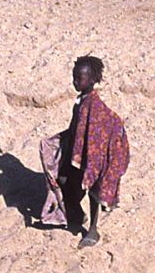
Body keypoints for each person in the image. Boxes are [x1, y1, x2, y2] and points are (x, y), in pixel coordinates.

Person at [40, 55, 130, 248]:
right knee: (63, 180)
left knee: (93, 190)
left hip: (94, 155)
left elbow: (100, 130)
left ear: (92, 80)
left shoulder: (94, 105)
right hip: (79, 152)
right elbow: (77, 128)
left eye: (79, 78)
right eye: (74, 77)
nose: (75, 82)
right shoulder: (81, 101)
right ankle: (78, 215)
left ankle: (93, 230)